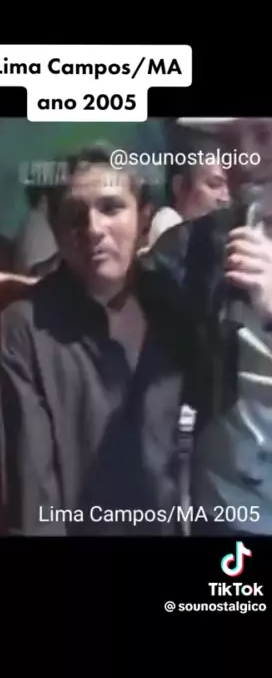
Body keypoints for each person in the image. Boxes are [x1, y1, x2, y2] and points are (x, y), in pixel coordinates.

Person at [0, 143, 186, 536]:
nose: (93, 228)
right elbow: (33, 487)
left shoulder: (174, 310)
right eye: (75, 216)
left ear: (144, 219)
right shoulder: (26, 328)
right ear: (56, 230)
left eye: (111, 208)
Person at [137, 117, 272, 536]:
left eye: (265, 136)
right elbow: (108, 290)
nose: (244, 158)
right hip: (226, 510)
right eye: (229, 143)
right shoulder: (196, 246)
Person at [147, 131, 230, 246]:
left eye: (230, 188)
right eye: (214, 184)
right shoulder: (168, 224)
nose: (225, 198)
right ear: (179, 186)